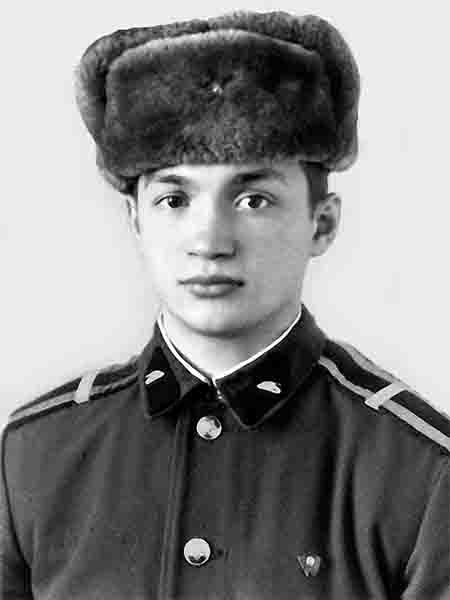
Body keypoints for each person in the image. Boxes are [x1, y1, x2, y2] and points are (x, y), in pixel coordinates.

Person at [1, 10, 449, 600]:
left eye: (253, 199)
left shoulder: (419, 472)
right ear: (135, 220)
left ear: (322, 223)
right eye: (174, 199)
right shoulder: (35, 455)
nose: (209, 241)